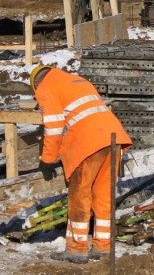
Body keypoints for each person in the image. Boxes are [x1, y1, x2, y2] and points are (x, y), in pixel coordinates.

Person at [30, 65, 132, 264]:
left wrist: (47, 160)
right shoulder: (77, 80)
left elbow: (53, 126)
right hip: (113, 138)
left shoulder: (45, 87)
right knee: (104, 195)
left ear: (36, 84)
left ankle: (77, 249)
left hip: (88, 143)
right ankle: (103, 246)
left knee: (79, 194)